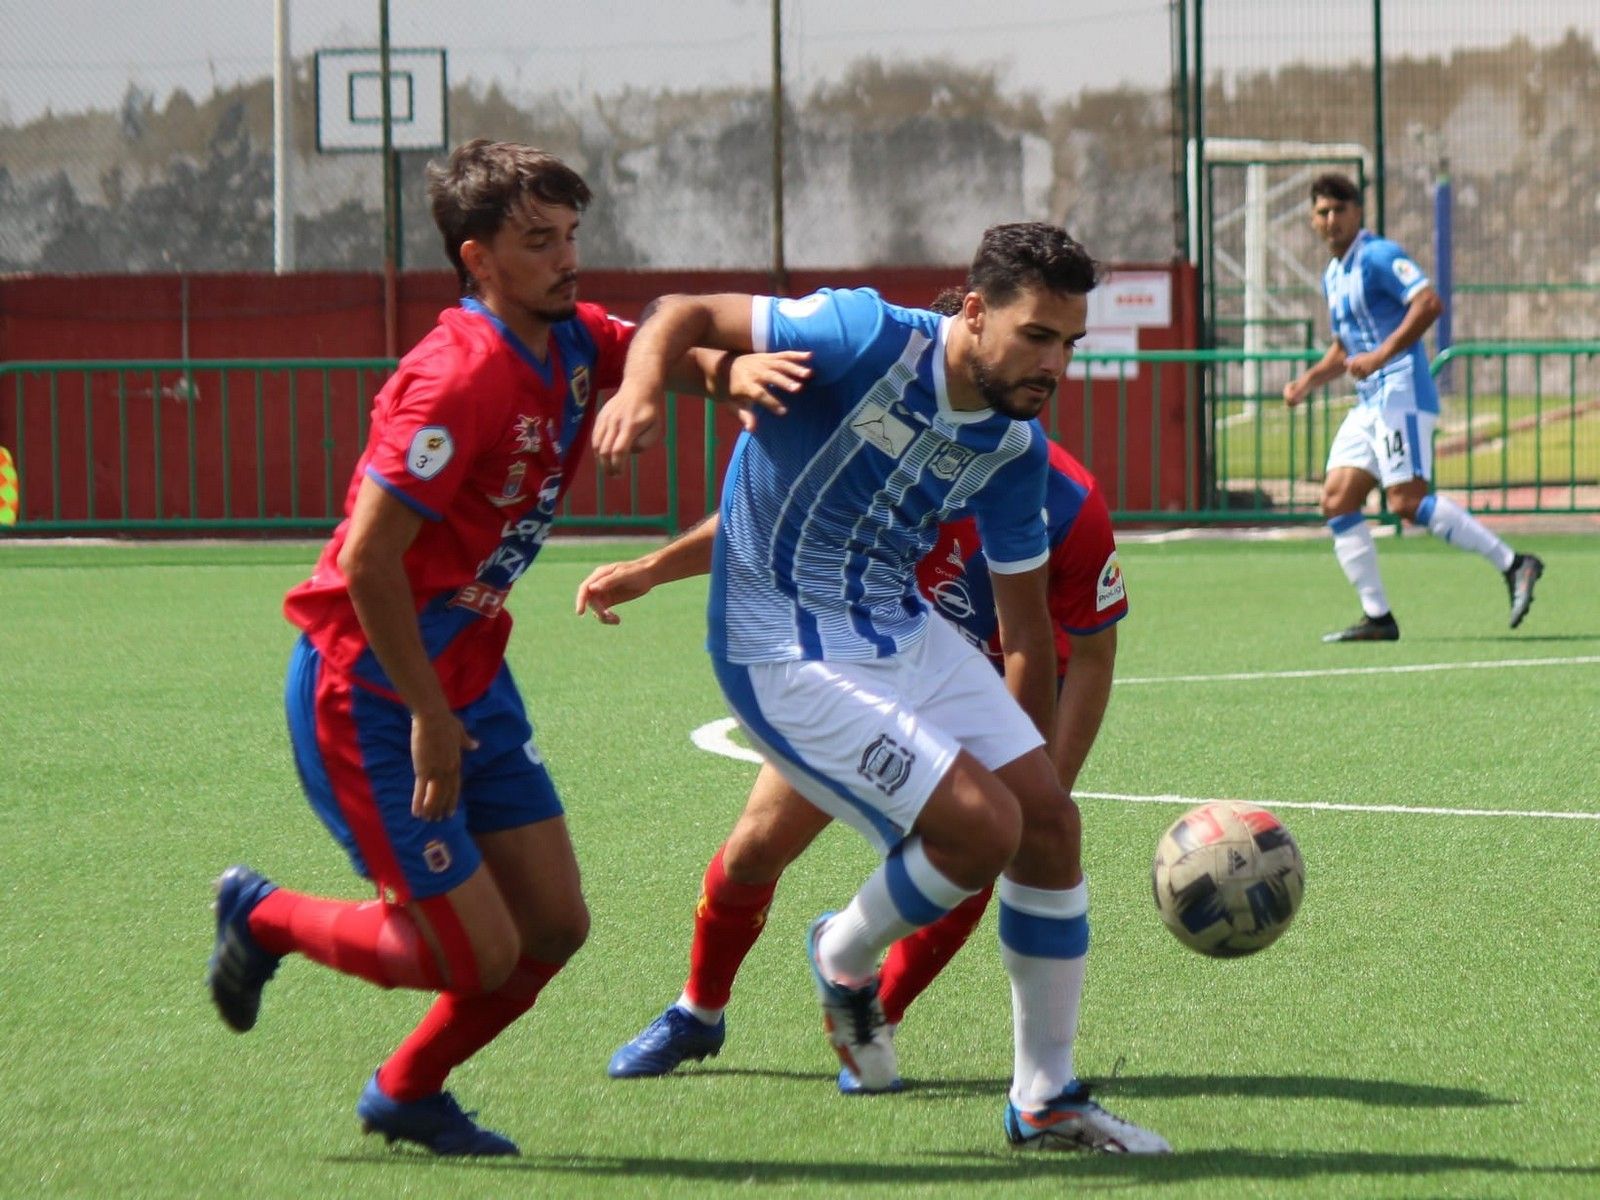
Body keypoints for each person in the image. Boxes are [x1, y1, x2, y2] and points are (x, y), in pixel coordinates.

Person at [203, 139, 785, 1157]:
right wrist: (428, 714)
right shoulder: (455, 378)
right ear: (476, 259)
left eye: (570, 236)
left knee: (554, 928)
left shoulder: (561, 337)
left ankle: (407, 1090)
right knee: (471, 953)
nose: (567, 259)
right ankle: (262, 917)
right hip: (374, 688)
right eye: (537, 241)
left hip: (470, 670)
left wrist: (734, 371)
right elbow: (370, 563)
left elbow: (653, 346)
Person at [590, 225, 1168, 1153]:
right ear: (974, 312)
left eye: (1070, 343)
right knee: (943, 832)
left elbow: (1029, 637)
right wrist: (645, 385)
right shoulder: (861, 334)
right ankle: (836, 957)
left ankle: (1044, 1098)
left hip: (899, 630)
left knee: (1046, 827)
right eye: (1036, 336)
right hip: (778, 642)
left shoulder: (1017, 451)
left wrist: (1027, 787)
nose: (1054, 363)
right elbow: (678, 313)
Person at [580, 429, 1126, 1097]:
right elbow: (767, 517)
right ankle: (699, 1010)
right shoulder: (884, 431)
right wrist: (653, 568)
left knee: (979, 857)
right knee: (754, 848)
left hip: (977, 696)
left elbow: (1090, 657)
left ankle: (871, 1023)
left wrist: (1047, 795)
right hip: (866, 673)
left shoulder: (1065, 499)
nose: (1045, 369)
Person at [1282, 171, 1543, 643]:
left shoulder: (1379, 255)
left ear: (1358, 212)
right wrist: (1307, 382)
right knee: (1337, 500)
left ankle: (1514, 563)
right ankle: (1378, 616)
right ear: (1312, 220)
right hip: (1369, 402)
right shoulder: (1333, 275)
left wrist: (1382, 355)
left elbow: (1427, 304)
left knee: (1406, 502)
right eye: (1323, 212)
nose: (1331, 219)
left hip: (1401, 391)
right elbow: (1345, 347)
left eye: (1340, 209)